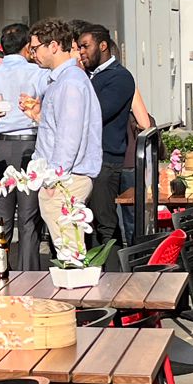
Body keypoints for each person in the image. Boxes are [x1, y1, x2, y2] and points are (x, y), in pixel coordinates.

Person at [0, 21, 52, 269]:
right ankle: (30, 278)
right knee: (29, 220)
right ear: (28, 47)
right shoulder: (38, 74)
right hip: (30, 146)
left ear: (1, 47)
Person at [28, 17, 102, 218]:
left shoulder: (69, 81)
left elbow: (69, 137)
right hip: (62, 177)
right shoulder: (62, 79)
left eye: (35, 48)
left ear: (53, 46)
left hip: (66, 179)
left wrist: (54, 179)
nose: (32, 54)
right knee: (66, 246)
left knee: (67, 246)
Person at [77, 23, 137, 240]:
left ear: (103, 45)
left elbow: (97, 113)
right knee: (89, 222)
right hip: (88, 159)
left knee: (105, 223)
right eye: (79, 47)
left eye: (85, 46)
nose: (82, 52)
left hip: (107, 160)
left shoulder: (119, 76)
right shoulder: (89, 75)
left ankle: (112, 271)